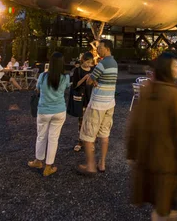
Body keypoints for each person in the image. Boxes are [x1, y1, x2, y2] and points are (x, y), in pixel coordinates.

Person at [127, 52, 177, 220]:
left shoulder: (147, 90)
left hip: (146, 159)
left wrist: (131, 152)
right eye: (176, 66)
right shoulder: (175, 95)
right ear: (167, 69)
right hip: (167, 163)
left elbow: (134, 124)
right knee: (165, 209)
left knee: (159, 207)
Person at [77, 39, 118, 176]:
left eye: (100, 47)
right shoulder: (114, 63)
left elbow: (89, 81)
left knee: (88, 134)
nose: (98, 50)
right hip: (110, 103)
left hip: (98, 104)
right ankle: (102, 163)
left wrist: (91, 78)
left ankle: (90, 166)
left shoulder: (102, 63)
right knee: (104, 134)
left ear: (106, 48)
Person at [28, 52, 70, 176]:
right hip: (59, 110)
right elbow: (66, 88)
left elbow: (37, 89)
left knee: (41, 136)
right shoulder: (65, 77)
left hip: (44, 110)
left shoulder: (42, 76)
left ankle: (38, 161)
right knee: (53, 139)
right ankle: (48, 166)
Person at [71, 52, 95, 152]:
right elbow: (74, 85)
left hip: (91, 96)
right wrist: (84, 79)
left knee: (91, 121)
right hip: (81, 97)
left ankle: (90, 142)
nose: (88, 64)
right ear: (83, 60)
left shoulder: (93, 70)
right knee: (81, 120)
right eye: (87, 62)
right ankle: (80, 141)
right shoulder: (77, 70)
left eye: (90, 62)